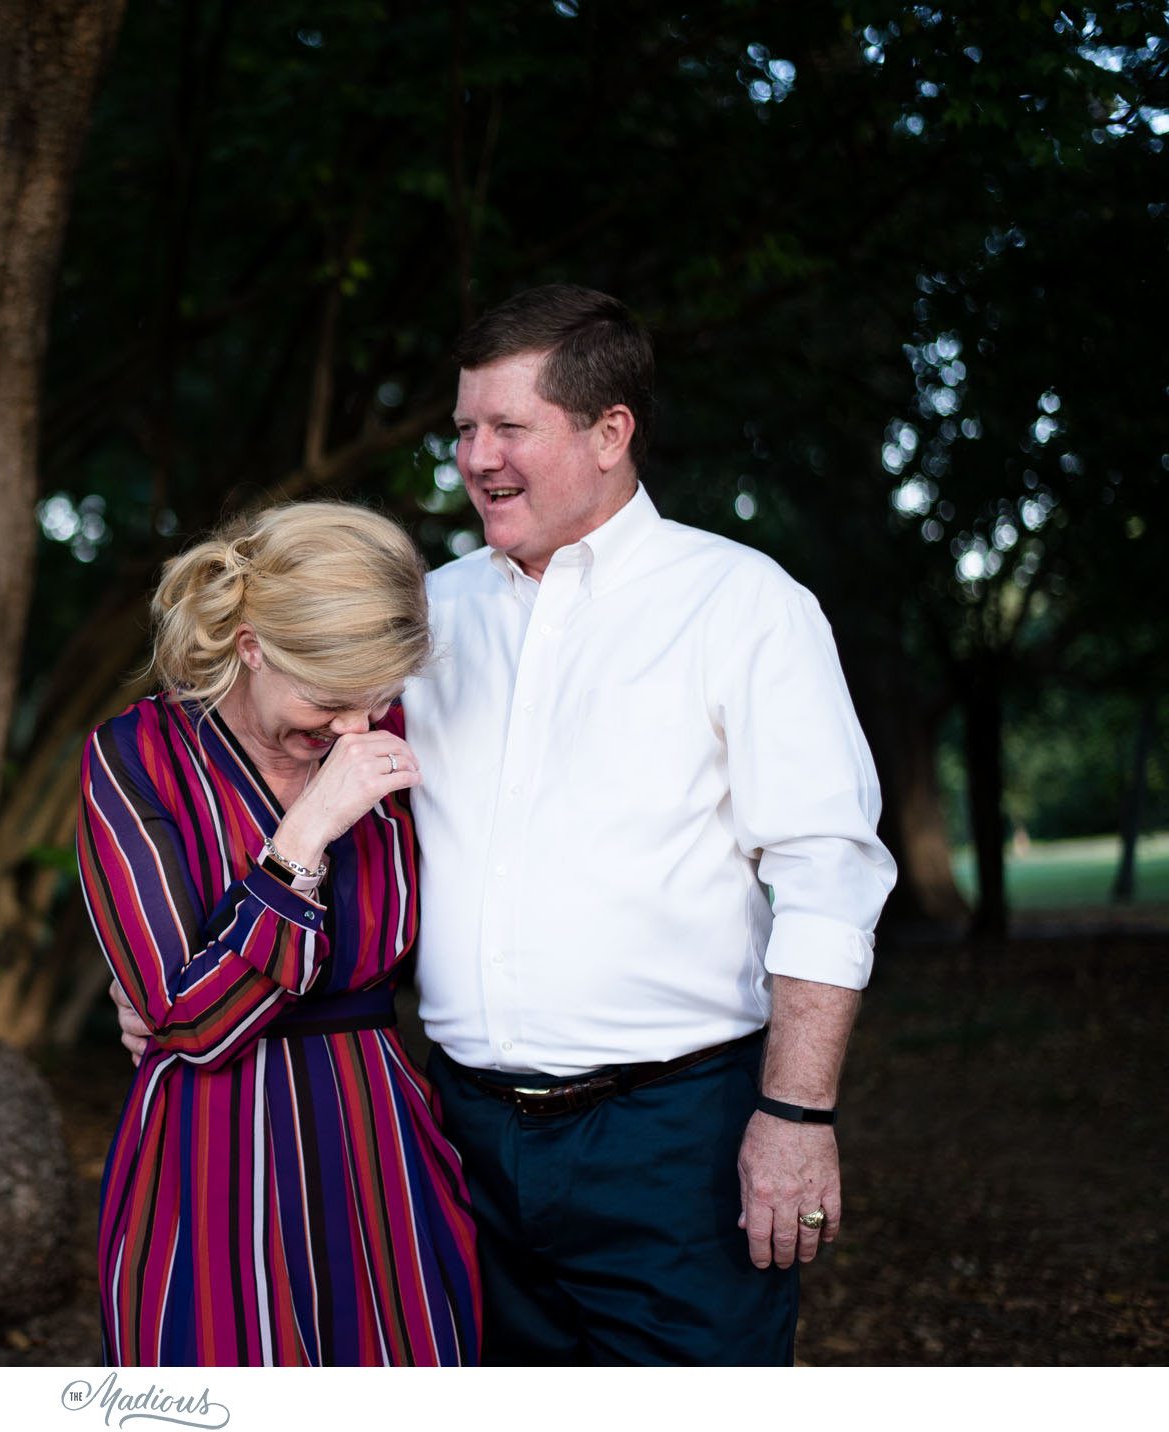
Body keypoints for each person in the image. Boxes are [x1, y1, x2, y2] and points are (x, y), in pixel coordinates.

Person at [118, 285, 898, 1365]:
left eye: (508, 428)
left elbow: (826, 874)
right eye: (462, 429)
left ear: (609, 432)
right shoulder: (426, 618)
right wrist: (156, 970)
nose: (476, 458)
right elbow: (304, 800)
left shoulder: (740, 604)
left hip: (670, 1137)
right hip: (454, 1140)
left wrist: (796, 1117)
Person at [78, 501, 482, 1367]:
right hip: (208, 1148)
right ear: (252, 645)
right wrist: (304, 839)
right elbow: (187, 1023)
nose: (350, 731)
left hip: (379, 1145)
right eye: (330, 700)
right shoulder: (134, 758)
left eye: (374, 702)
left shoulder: (394, 737)